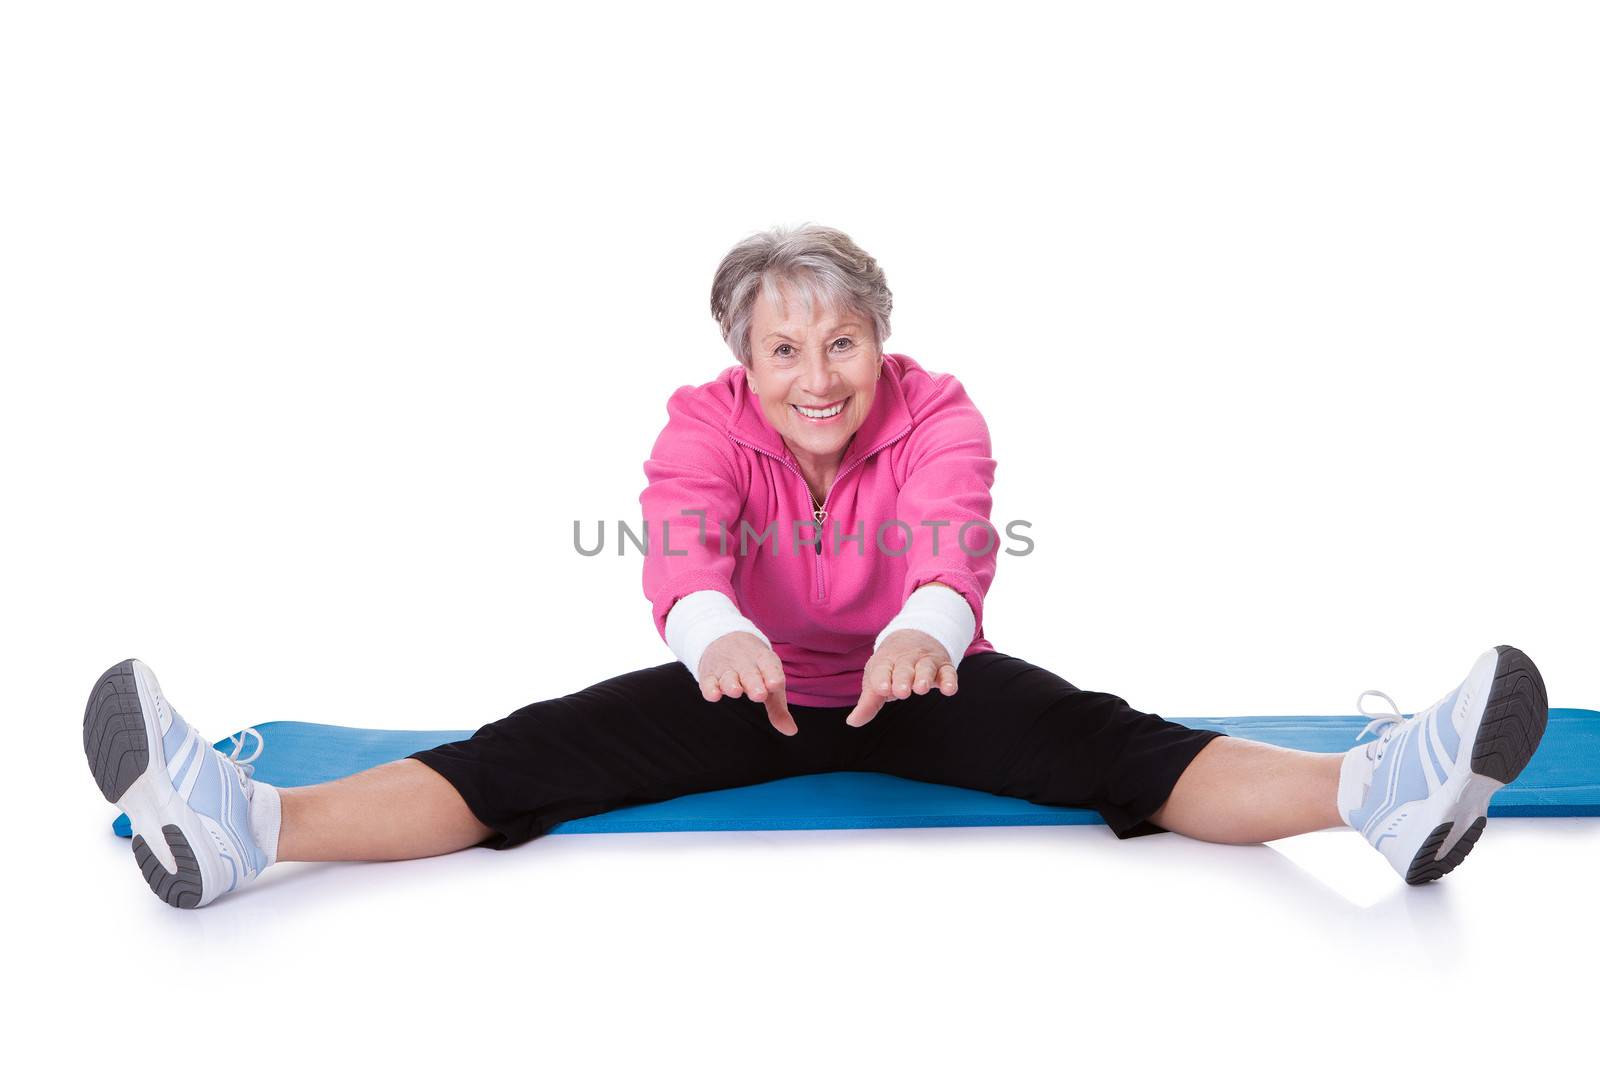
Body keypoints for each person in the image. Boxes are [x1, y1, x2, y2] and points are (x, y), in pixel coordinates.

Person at [81, 224, 1551, 909]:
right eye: (784, 347)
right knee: (524, 757)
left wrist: (931, 617)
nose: (817, 373)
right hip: (744, 686)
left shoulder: (939, 408)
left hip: (918, 677)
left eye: (839, 339)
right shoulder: (703, 424)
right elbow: (679, 528)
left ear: (878, 338)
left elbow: (956, 525)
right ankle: (242, 830)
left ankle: (1383, 793)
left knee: (1117, 748)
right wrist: (712, 627)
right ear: (744, 357)